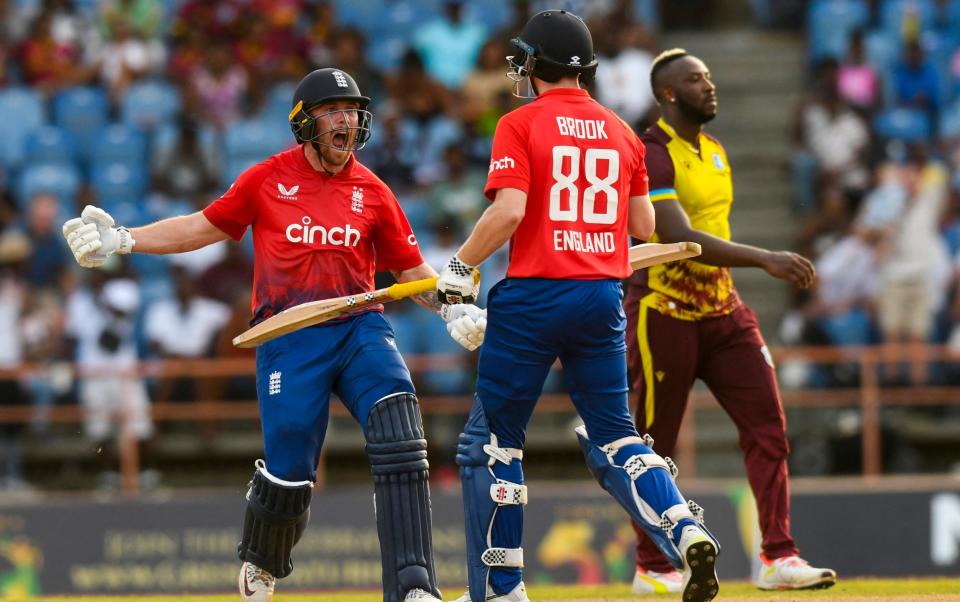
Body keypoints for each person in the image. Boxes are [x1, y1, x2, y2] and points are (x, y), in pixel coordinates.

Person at [62, 67, 487, 602]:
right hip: (289, 333)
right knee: (289, 474)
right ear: (305, 123)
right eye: (334, 111)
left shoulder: (373, 191)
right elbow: (200, 227)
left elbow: (410, 271)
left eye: (353, 113)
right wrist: (123, 239)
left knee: (402, 437)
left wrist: (449, 307)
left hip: (359, 328)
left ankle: (413, 587)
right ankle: (261, 560)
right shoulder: (267, 179)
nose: (347, 122)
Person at [435, 11, 720, 602]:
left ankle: (500, 588)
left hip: (536, 295)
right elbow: (643, 226)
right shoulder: (622, 131)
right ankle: (683, 527)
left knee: (494, 442)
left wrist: (460, 267)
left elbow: (509, 212)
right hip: (600, 298)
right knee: (618, 438)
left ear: (537, 62)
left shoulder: (520, 122)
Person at [623, 48, 836, 594]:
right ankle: (652, 565)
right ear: (669, 94)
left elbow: (710, 225)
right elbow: (675, 237)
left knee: (769, 428)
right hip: (662, 311)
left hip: (724, 310)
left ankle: (778, 558)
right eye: (696, 80)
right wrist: (766, 257)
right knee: (654, 444)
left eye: (710, 77)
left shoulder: (715, 149)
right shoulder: (653, 153)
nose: (709, 86)